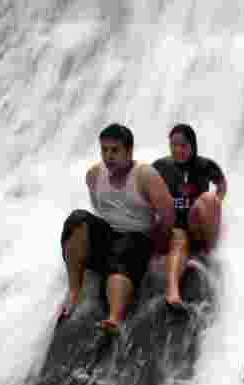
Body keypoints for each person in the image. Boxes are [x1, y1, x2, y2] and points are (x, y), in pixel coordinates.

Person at [59, 123, 175, 334]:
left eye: (115, 150)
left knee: (124, 249)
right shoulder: (94, 175)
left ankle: (113, 319)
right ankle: (74, 292)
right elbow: (98, 207)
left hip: (137, 237)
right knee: (76, 220)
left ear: (129, 151)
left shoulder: (145, 176)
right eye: (104, 150)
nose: (108, 156)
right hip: (109, 235)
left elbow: (168, 214)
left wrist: (159, 245)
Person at [151, 124, 227, 309]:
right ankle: (172, 291)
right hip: (174, 225)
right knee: (178, 238)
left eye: (183, 145)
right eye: (173, 145)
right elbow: (147, 191)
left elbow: (221, 184)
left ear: (192, 145)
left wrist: (216, 204)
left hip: (196, 223)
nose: (178, 149)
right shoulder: (161, 166)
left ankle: (207, 251)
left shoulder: (205, 165)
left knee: (208, 199)